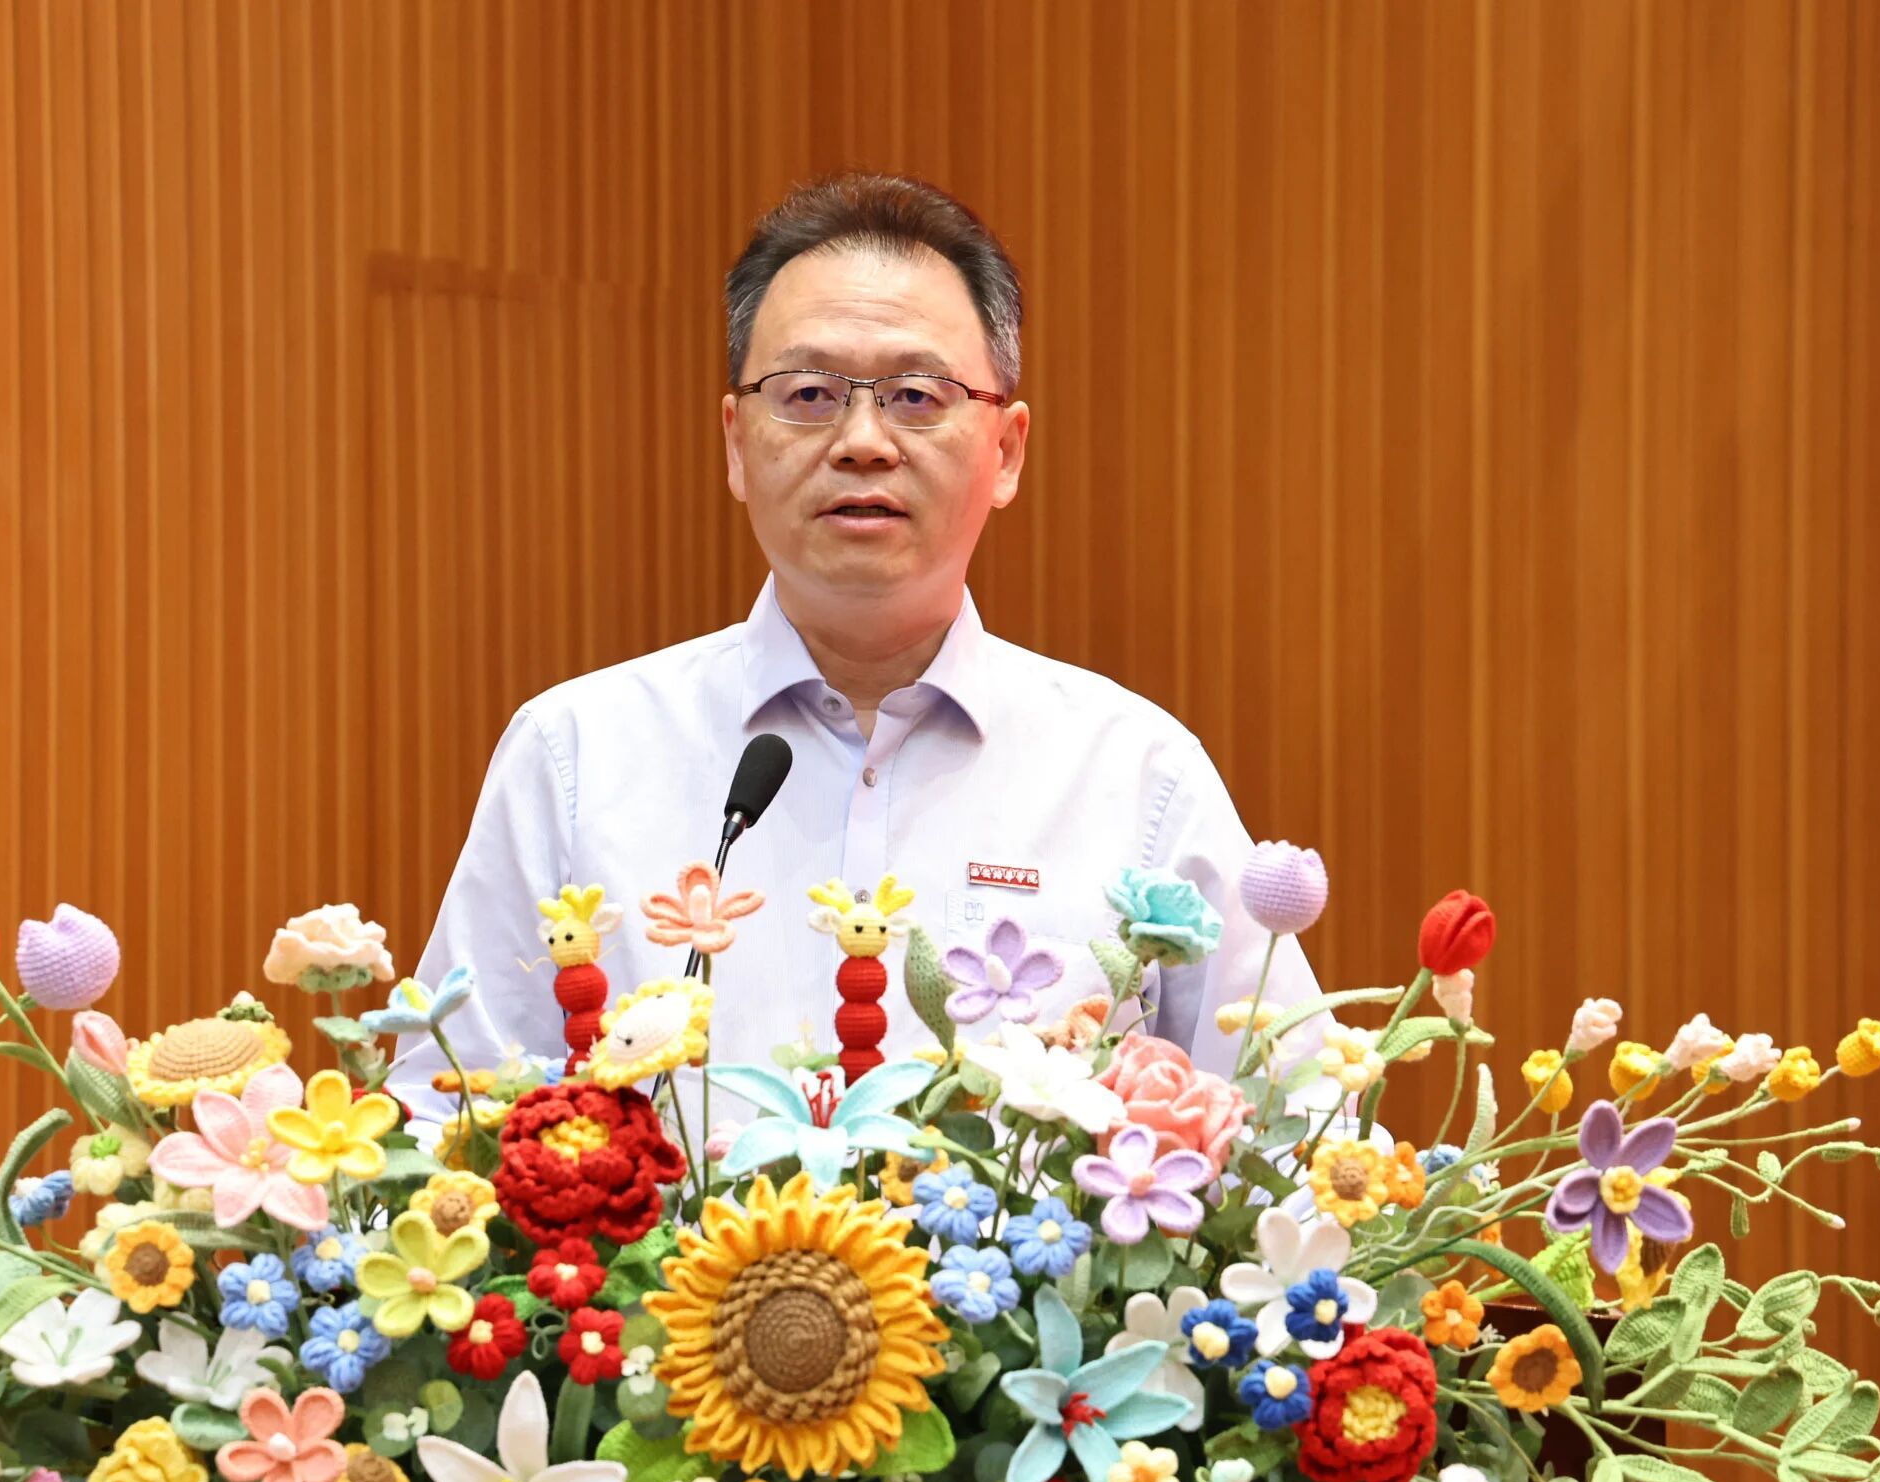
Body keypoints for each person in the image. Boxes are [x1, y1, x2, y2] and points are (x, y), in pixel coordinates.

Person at [389, 172, 1334, 1142]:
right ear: (736, 444)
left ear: (1006, 451)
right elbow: (440, 1127)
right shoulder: (576, 755)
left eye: (917, 396)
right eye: (809, 394)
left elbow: (1297, 1138)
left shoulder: (1137, 778)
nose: (863, 441)